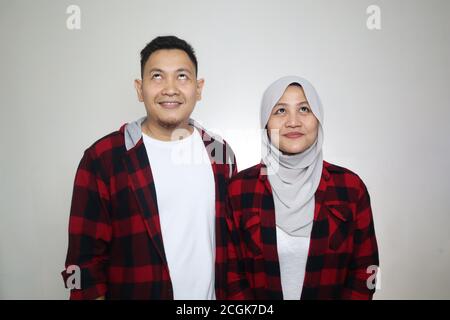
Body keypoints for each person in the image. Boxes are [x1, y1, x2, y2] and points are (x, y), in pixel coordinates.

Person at [62, 35, 236, 300]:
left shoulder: (220, 155)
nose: (170, 88)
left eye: (182, 76)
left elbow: (236, 248)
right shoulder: (103, 159)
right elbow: (84, 266)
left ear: (198, 88)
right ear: (139, 88)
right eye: (157, 76)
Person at [226, 76, 379, 299]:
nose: (293, 121)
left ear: (318, 118)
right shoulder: (239, 189)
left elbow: (366, 271)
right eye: (280, 111)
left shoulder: (350, 187)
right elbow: (230, 276)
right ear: (265, 124)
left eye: (304, 109)